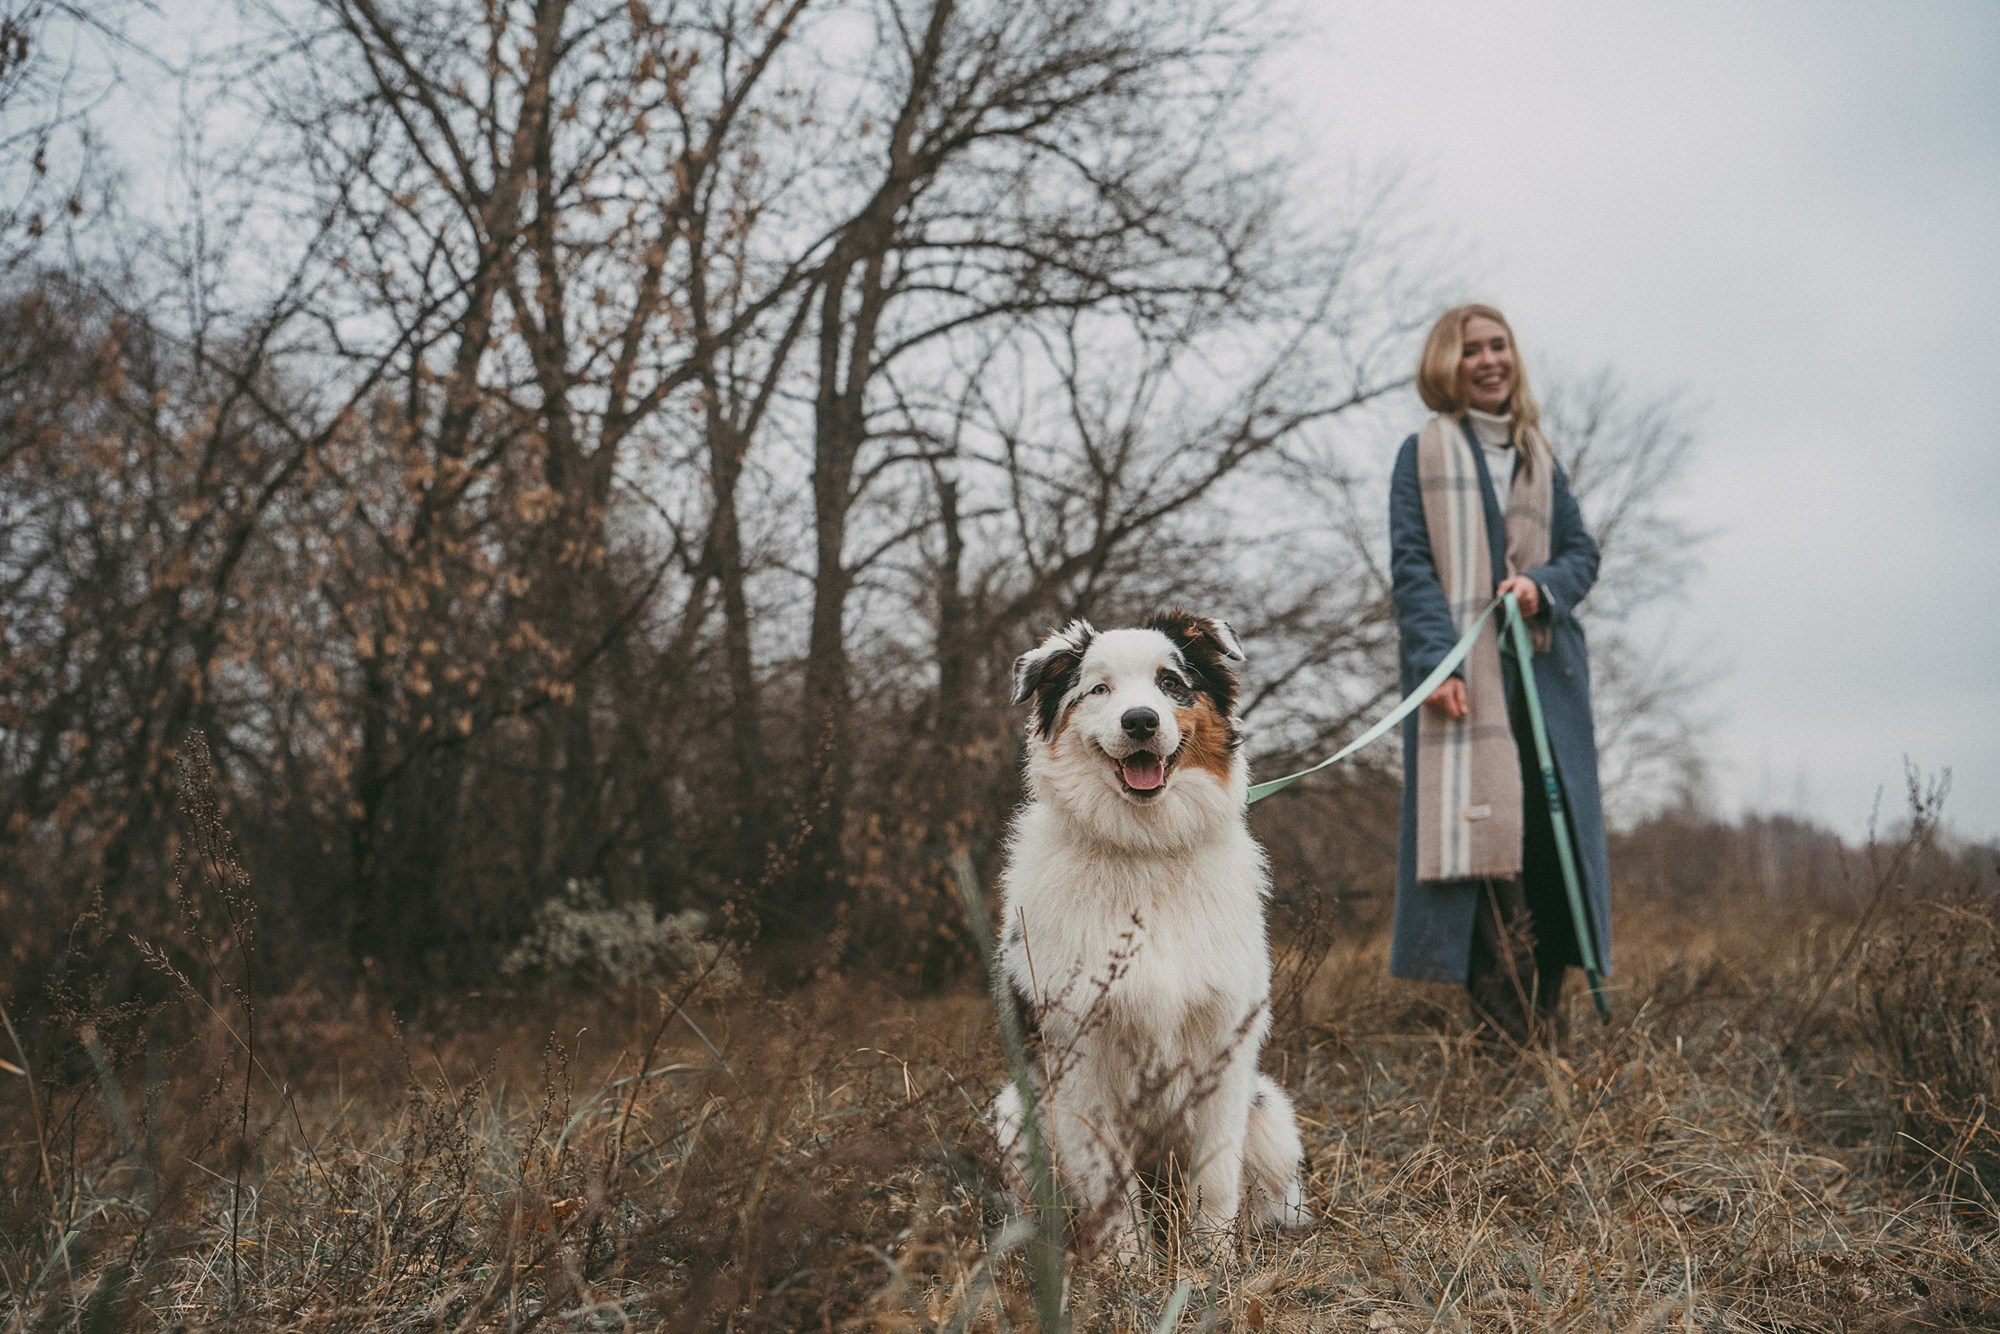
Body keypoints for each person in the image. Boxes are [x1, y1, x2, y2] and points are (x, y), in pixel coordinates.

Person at [1386, 303, 1611, 1048]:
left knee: (1551, 856)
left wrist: (1540, 583)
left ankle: (1548, 1027)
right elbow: (1414, 570)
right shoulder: (1422, 452)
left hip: (1547, 688)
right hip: (1466, 684)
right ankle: (1504, 1042)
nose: (1488, 360)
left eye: (1499, 346)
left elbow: (1583, 554)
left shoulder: (1539, 455)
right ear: (1446, 365)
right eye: (1471, 349)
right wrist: (1434, 667)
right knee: (1485, 855)